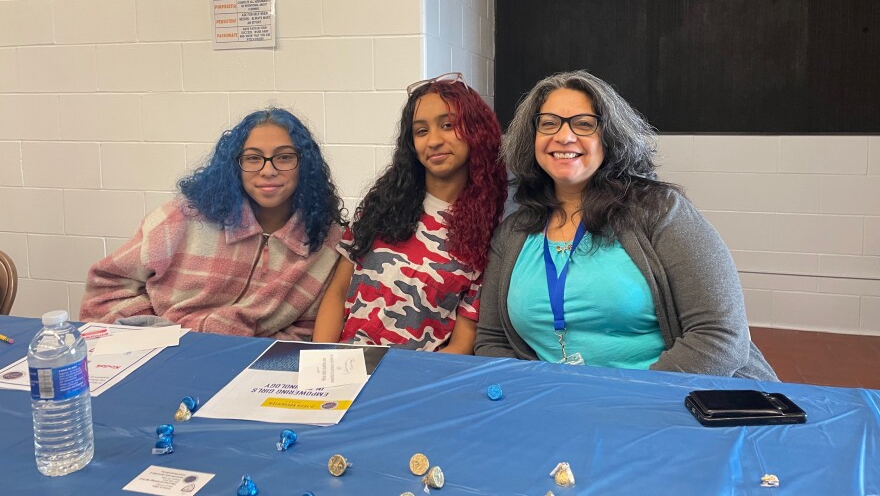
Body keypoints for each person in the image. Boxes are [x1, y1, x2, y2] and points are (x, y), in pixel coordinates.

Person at [474, 70, 777, 379]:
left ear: (609, 137)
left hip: (668, 399)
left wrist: (624, 398)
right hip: (559, 405)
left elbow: (720, 337)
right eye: (548, 123)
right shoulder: (513, 233)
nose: (563, 137)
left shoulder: (660, 212)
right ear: (532, 137)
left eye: (583, 123)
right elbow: (492, 341)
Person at [80, 108, 345, 339]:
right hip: (163, 353)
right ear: (235, 167)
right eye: (253, 158)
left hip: (252, 366)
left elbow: (311, 327)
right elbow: (107, 289)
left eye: (284, 157)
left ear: (305, 165)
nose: (268, 170)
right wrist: (157, 335)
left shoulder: (327, 242)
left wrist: (247, 348)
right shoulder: (182, 219)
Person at [313, 73, 508, 353]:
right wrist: (322, 362)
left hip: (415, 376)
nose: (434, 141)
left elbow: (463, 341)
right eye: (421, 131)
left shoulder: (489, 231)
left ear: (476, 131)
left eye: (448, 125)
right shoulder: (381, 202)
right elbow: (338, 290)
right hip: (344, 369)